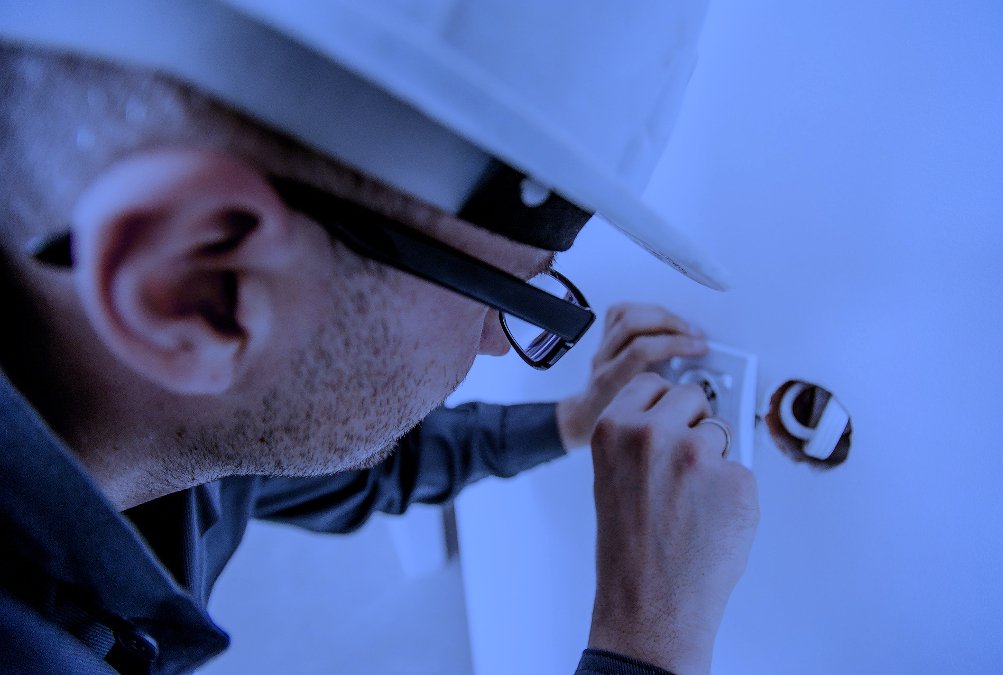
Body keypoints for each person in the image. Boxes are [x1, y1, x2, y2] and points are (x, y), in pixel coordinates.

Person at [0, 2, 760, 674]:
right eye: (505, 295)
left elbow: (363, 465)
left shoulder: (173, 420)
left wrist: (571, 420)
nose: (498, 344)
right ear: (199, 286)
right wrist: (645, 645)